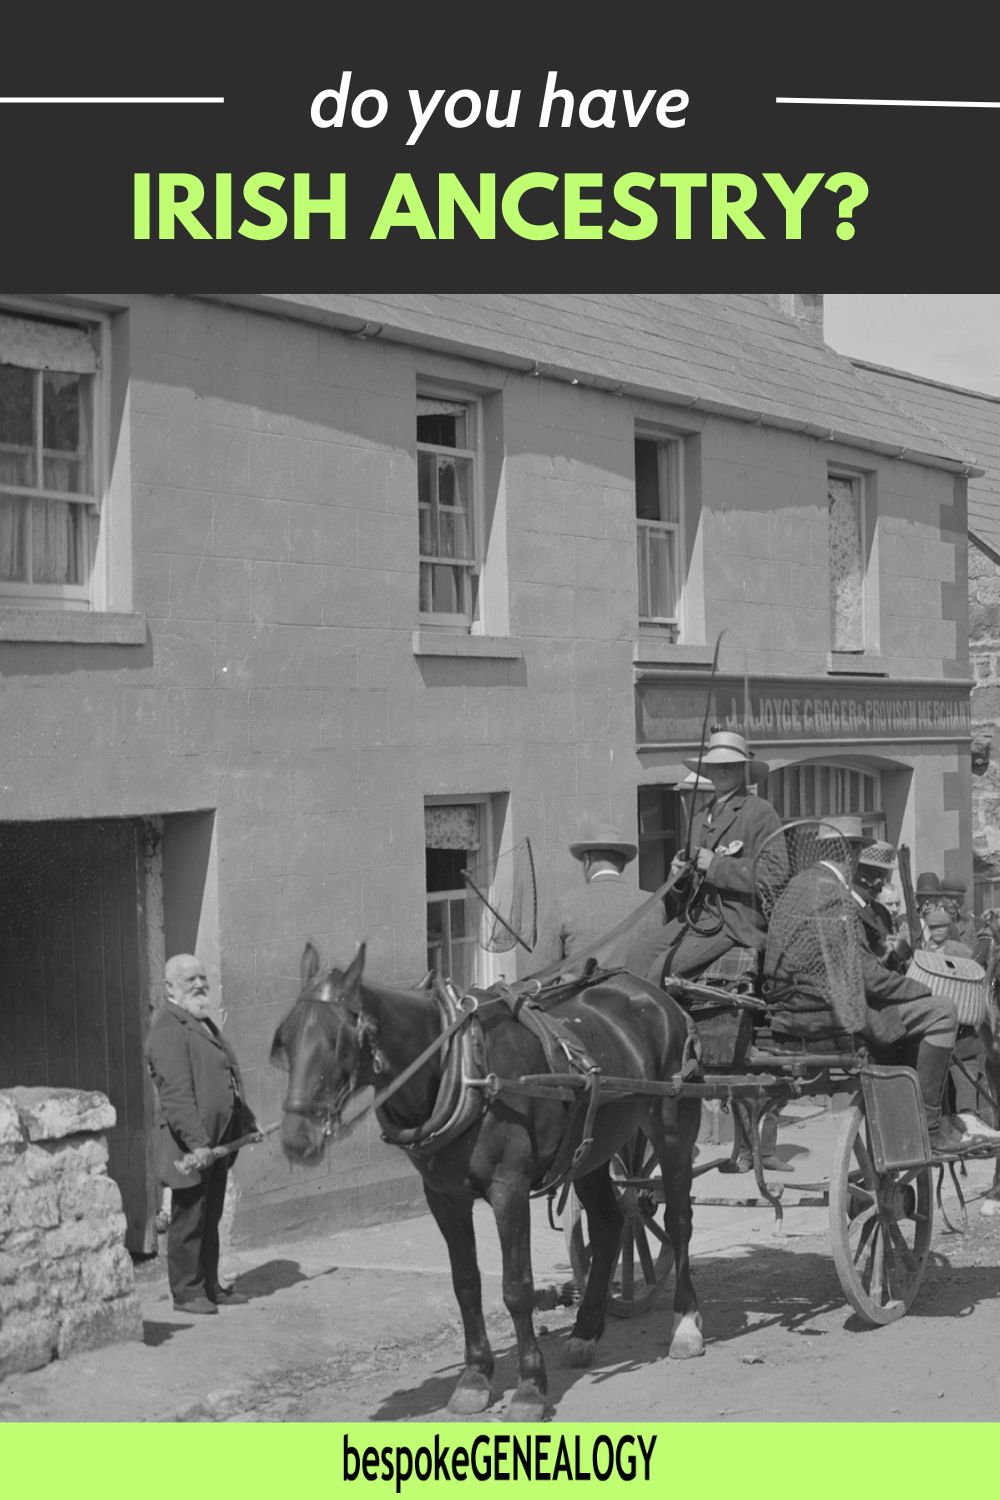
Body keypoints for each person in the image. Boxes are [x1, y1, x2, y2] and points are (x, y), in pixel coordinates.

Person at [763, 818, 965, 1157]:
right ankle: (928, 1127)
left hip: (792, 1004)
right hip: (830, 1013)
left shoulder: (802, 883)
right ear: (853, 853)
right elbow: (869, 979)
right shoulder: (833, 896)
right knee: (944, 1011)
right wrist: (923, 988)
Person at [145, 955, 258, 1313]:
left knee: (209, 1216)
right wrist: (197, 1143)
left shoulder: (201, 1021)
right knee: (189, 1217)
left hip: (218, 1141)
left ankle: (210, 1286)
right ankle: (187, 1292)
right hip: (191, 1144)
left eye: (202, 978)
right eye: (189, 979)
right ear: (169, 988)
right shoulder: (168, 1027)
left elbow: (227, 1079)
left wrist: (246, 1122)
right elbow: (176, 1096)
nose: (198, 984)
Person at [640, 729, 782, 986]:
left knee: (662, 972)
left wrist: (716, 865)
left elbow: (774, 874)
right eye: (716, 766)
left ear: (744, 770)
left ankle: (675, 1026)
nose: (722, 771)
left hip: (734, 922)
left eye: (730, 765)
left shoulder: (759, 812)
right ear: (708, 770)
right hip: (695, 917)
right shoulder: (699, 817)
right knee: (637, 958)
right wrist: (679, 876)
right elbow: (688, 885)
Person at [532, 821, 665, 976]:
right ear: (622, 865)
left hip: (580, 998)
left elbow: (539, 974)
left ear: (587, 861)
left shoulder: (565, 904)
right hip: (640, 996)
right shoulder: (653, 904)